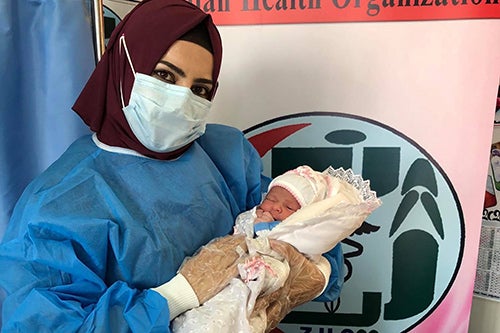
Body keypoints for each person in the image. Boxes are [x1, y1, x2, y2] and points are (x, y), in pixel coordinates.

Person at [0, 1, 344, 332]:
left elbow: (305, 224)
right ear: (123, 67)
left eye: (200, 88)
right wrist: (178, 295)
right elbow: (45, 323)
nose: (182, 99)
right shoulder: (60, 203)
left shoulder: (225, 156)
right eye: (164, 76)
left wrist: (308, 268)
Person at [172, 165, 381, 332]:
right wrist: (254, 222)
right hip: (228, 274)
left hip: (264, 279)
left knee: (238, 309)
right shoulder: (255, 214)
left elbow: (306, 259)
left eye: (289, 208)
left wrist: (266, 232)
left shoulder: (298, 231)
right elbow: (241, 231)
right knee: (214, 305)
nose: (275, 207)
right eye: (270, 199)